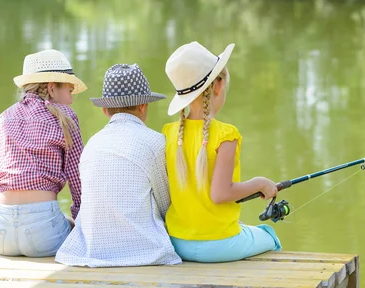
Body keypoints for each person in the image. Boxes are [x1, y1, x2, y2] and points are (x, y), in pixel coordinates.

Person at [162, 41, 282, 263]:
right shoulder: (226, 135)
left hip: (177, 242)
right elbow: (220, 194)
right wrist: (260, 183)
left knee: (244, 230)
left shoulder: (169, 134)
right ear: (218, 86)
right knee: (269, 235)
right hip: (219, 245)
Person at [55, 64, 181, 267]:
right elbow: (166, 204)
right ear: (143, 106)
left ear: (105, 110)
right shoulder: (155, 142)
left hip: (93, 249)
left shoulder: (93, 144)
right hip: (145, 251)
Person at [0, 49, 85, 257]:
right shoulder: (66, 116)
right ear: (52, 88)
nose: (71, 100)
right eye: (69, 91)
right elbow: (78, 181)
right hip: (43, 233)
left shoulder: (3, 118)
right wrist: (82, 224)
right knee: (70, 226)